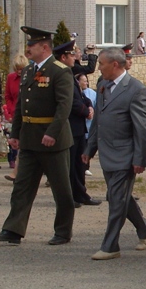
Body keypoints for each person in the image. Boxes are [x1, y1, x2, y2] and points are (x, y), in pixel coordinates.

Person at [0, 27, 75, 246]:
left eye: (32, 45)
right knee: (22, 187)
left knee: (61, 189)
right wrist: (15, 133)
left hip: (52, 141)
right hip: (29, 139)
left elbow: (64, 106)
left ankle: (63, 231)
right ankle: (13, 230)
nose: (28, 49)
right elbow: (21, 106)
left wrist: (52, 133)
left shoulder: (59, 71)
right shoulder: (27, 72)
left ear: (44, 47)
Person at [82, 47, 146, 259]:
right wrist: (90, 148)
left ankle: (110, 246)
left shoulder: (136, 89)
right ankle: (144, 228)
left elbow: (142, 128)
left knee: (115, 199)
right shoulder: (103, 85)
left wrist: (139, 158)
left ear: (114, 64)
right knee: (119, 196)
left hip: (125, 155)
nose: (98, 68)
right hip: (107, 153)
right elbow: (98, 120)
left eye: (101, 64)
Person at [54, 41, 98, 206]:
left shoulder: (70, 75)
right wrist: (86, 112)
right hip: (70, 127)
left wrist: (89, 106)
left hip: (79, 129)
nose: (75, 57)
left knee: (80, 163)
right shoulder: (61, 75)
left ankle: (81, 194)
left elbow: (81, 97)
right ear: (63, 57)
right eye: (72, 55)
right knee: (70, 165)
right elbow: (69, 102)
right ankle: (69, 196)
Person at [2, 52, 27, 180]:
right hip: (15, 115)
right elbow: (8, 96)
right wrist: (11, 111)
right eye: (17, 68)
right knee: (18, 142)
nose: (19, 71)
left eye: (21, 69)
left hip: (27, 114)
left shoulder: (30, 77)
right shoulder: (11, 78)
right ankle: (16, 172)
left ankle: (18, 172)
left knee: (24, 144)